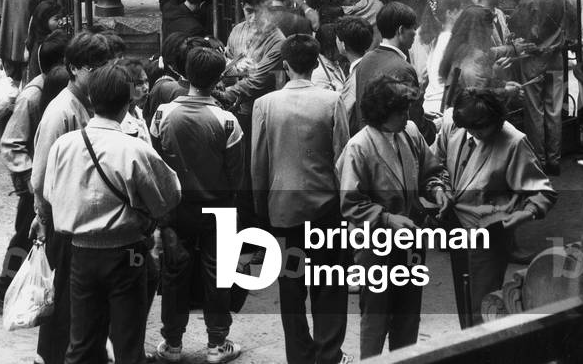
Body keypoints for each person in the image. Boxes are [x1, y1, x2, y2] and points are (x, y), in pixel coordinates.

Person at [44, 62, 181, 364]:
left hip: (80, 252)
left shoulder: (63, 146)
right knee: (128, 341)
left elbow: (50, 193)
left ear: (91, 100)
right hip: (127, 253)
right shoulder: (133, 149)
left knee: (82, 341)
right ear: (127, 104)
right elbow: (169, 196)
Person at [252, 34, 351, 364]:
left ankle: (299, 354)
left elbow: (259, 162)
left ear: (284, 65)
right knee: (330, 282)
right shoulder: (332, 100)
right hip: (326, 207)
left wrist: (260, 208)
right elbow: (342, 158)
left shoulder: (265, 104)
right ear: (316, 62)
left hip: (284, 208)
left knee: (291, 284)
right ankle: (328, 353)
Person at [337, 76, 448, 358]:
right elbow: (351, 203)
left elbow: (430, 170)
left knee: (409, 312)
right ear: (382, 113)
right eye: (400, 111)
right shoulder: (359, 147)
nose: (407, 116)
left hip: (410, 240)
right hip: (375, 246)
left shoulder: (409, 132)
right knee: (376, 314)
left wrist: (437, 189)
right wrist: (387, 219)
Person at [152, 45, 246, 364]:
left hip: (176, 207)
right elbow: (236, 175)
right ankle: (217, 345)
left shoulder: (163, 114)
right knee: (218, 274)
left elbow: (157, 163)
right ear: (219, 78)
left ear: (185, 74)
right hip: (218, 207)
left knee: (174, 273)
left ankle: (173, 343)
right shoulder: (228, 121)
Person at [434, 87, 556, 327]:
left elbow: (544, 192)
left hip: (490, 233)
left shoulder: (514, 141)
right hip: (456, 227)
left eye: (482, 129)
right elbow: (435, 163)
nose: (477, 134)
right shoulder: (453, 122)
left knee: (483, 305)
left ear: (497, 120)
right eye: (471, 130)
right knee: (464, 298)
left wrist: (525, 213)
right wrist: (440, 188)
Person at [29, 31, 114, 364]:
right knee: (62, 298)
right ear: (75, 68)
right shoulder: (61, 111)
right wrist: (46, 215)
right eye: (95, 68)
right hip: (64, 220)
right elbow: (40, 177)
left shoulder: (87, 103)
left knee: (78, 300)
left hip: (81, 220)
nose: (101, 74)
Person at [0, 29, 71, 313]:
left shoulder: (60, 87)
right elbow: (11, 142)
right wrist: (29, 180)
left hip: (54, 183)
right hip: (36, 185)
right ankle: (3, 291)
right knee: (25, 238)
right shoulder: (33, 95)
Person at [509, 0, 567, 175]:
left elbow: (514, 26)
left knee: (535, 111)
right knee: (554, 111)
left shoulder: (527, 1)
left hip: (533, 61)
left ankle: (540, 161)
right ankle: (554, 160)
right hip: (556, 59)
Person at [351, 1, 426, 136]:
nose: (415, 33)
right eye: (413, 28)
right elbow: (414, 123)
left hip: (367, 140)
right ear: (401, 30)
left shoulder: (365, 60)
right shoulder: (403, 68)